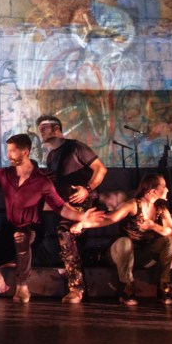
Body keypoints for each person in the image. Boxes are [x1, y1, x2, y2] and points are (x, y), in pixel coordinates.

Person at [0, 134, 100, 303]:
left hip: (32, 227)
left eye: (12, 151)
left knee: (21, 236)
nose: (8, 155)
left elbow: (60, 207)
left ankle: (22, 286)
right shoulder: (4, 174)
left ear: (25, 152)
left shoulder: (42, 181)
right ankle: (32, 255)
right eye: (7, 151)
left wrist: (82, 216)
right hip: (10, 227)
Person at [36, 114, 108, 303]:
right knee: (69, 239)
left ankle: (76, 288)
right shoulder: (51, 156)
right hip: (66, 205)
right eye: (39, 129)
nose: (41, 132)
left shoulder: (76, 146)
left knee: (66, 232)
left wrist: (87, 189)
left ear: (56, 128)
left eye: (44, 128)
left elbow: (101, 169)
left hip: (84, 202)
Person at [80, 172, 172, 306]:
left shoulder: (161, 209)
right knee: (125, 242)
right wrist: (83, 224)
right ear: (153, 191)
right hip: (121, 255)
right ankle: (127, 287)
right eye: (164, 186)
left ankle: (165, 285)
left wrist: (153, 226)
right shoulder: (133, 205)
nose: (167, 189)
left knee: (169, 242)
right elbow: (110, 219)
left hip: (143, 256)